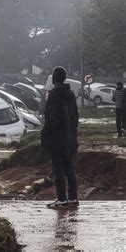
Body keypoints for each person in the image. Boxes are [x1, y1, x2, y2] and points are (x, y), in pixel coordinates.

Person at [41, 66, 79, 208]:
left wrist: (44, 135)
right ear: (64, 78)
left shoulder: (54, 95)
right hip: (70, 138)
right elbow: (76, 118)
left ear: (54, 79)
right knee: (69, 168)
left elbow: (50, 118)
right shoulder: (71, 94)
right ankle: (73, 198)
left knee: (58, 170)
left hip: (56, 139)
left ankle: (61, 199)